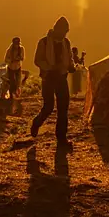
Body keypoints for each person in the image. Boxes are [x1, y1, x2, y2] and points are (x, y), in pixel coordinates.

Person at [31, 15, 75, 148]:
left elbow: (70, 58)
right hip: (48, 77)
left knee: (63, 108)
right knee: (48, 107)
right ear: (56, 29)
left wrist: (71, 66)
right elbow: (37, 60)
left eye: (66, 31)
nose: (64, 34)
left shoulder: (66, 43)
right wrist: (50, 67)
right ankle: (36, 123)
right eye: (63, 31)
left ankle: (61, 139)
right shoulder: (43, 42)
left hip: (61, 77)